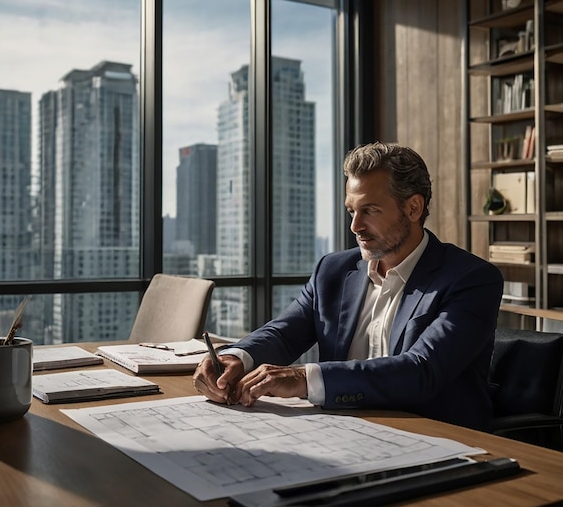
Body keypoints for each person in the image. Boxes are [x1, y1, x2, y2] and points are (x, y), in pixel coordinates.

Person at [193, 142, 503, 430]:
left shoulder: (471, 279)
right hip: (341, 432)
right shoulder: (334, 270)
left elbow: (421, 371)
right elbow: (284, 332)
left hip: (438, 439)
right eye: (351, 211)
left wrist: (303, 378)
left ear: (413, 208)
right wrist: (237, 357)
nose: (355, 227)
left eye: (370, 210)